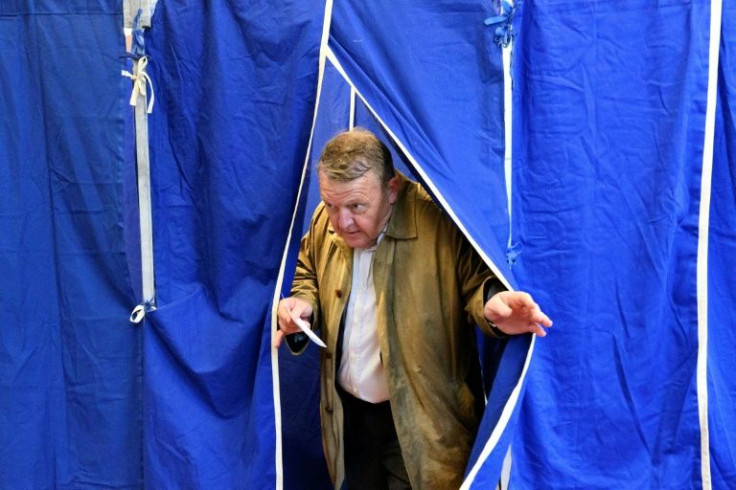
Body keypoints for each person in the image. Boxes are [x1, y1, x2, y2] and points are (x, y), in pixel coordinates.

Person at [276, 128, 552, 489]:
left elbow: (475, 285)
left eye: (356, 207)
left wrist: (492, 306)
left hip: (422, 424)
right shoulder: (324, 221)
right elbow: (308, 269)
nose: (340, 222)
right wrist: (303, 303)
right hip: (350, 419)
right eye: (331, 205)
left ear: (391, 190)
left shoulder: (438, 220)